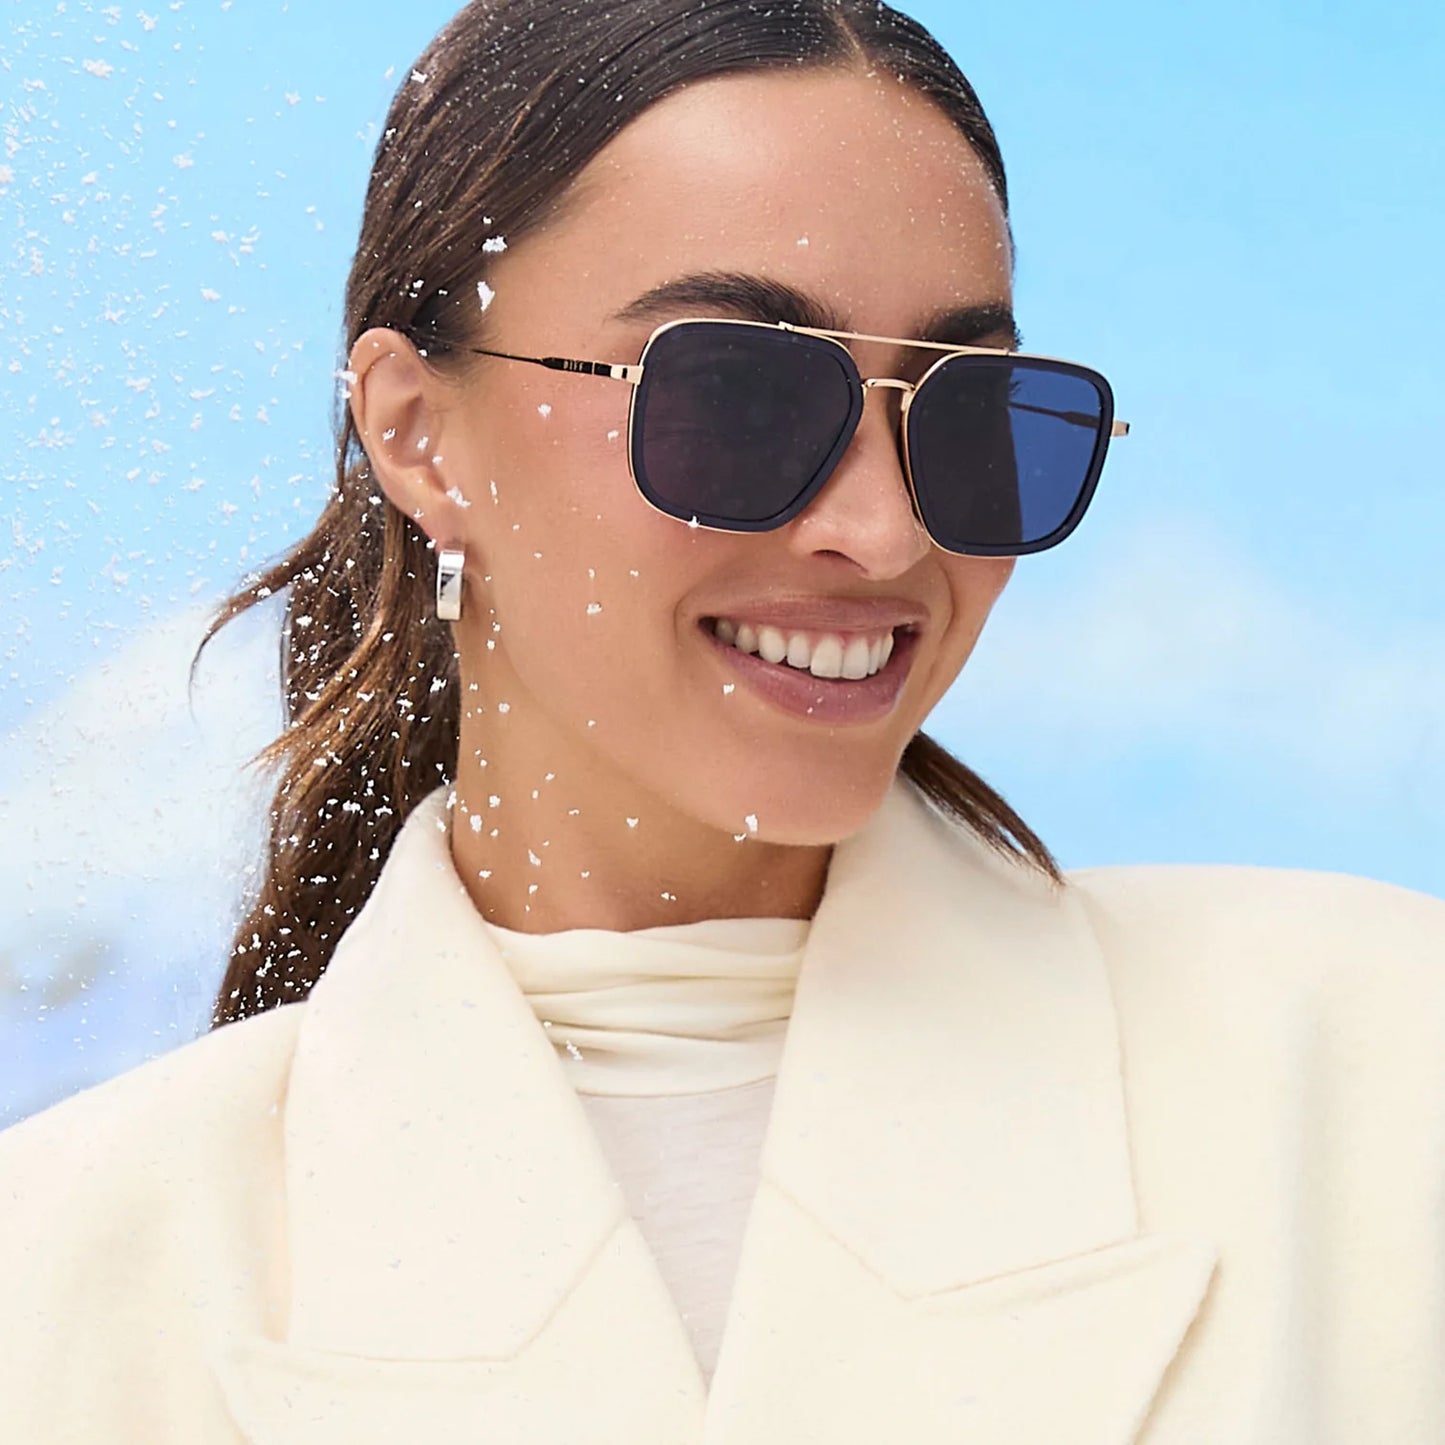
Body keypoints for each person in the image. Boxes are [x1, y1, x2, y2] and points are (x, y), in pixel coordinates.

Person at [1, 1, 1442, 1440]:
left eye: (966, 413)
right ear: (415, 432)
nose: (880, 534)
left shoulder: (1375, 1072)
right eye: (735, 395)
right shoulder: (73, 1273)